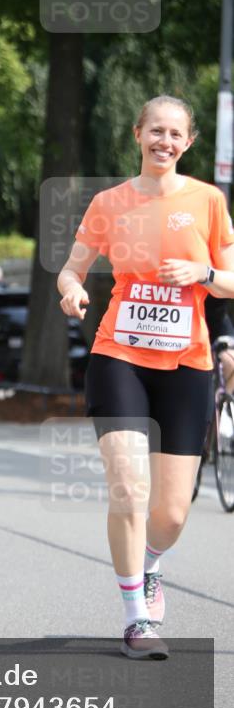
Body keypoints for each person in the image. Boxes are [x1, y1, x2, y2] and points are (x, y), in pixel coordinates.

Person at [58, 95, 234, 660]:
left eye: (175, 133)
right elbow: (72, 266)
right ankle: (136, 617)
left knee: (173, 511)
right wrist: (72, 290)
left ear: (189, 142)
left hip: (187, 364)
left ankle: (151, 563)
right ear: (138, 134)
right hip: (120, 356)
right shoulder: (110, 202)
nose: (164, 141)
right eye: (155, 130)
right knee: (130, 489)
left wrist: (203, 272)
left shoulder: (208, 202)